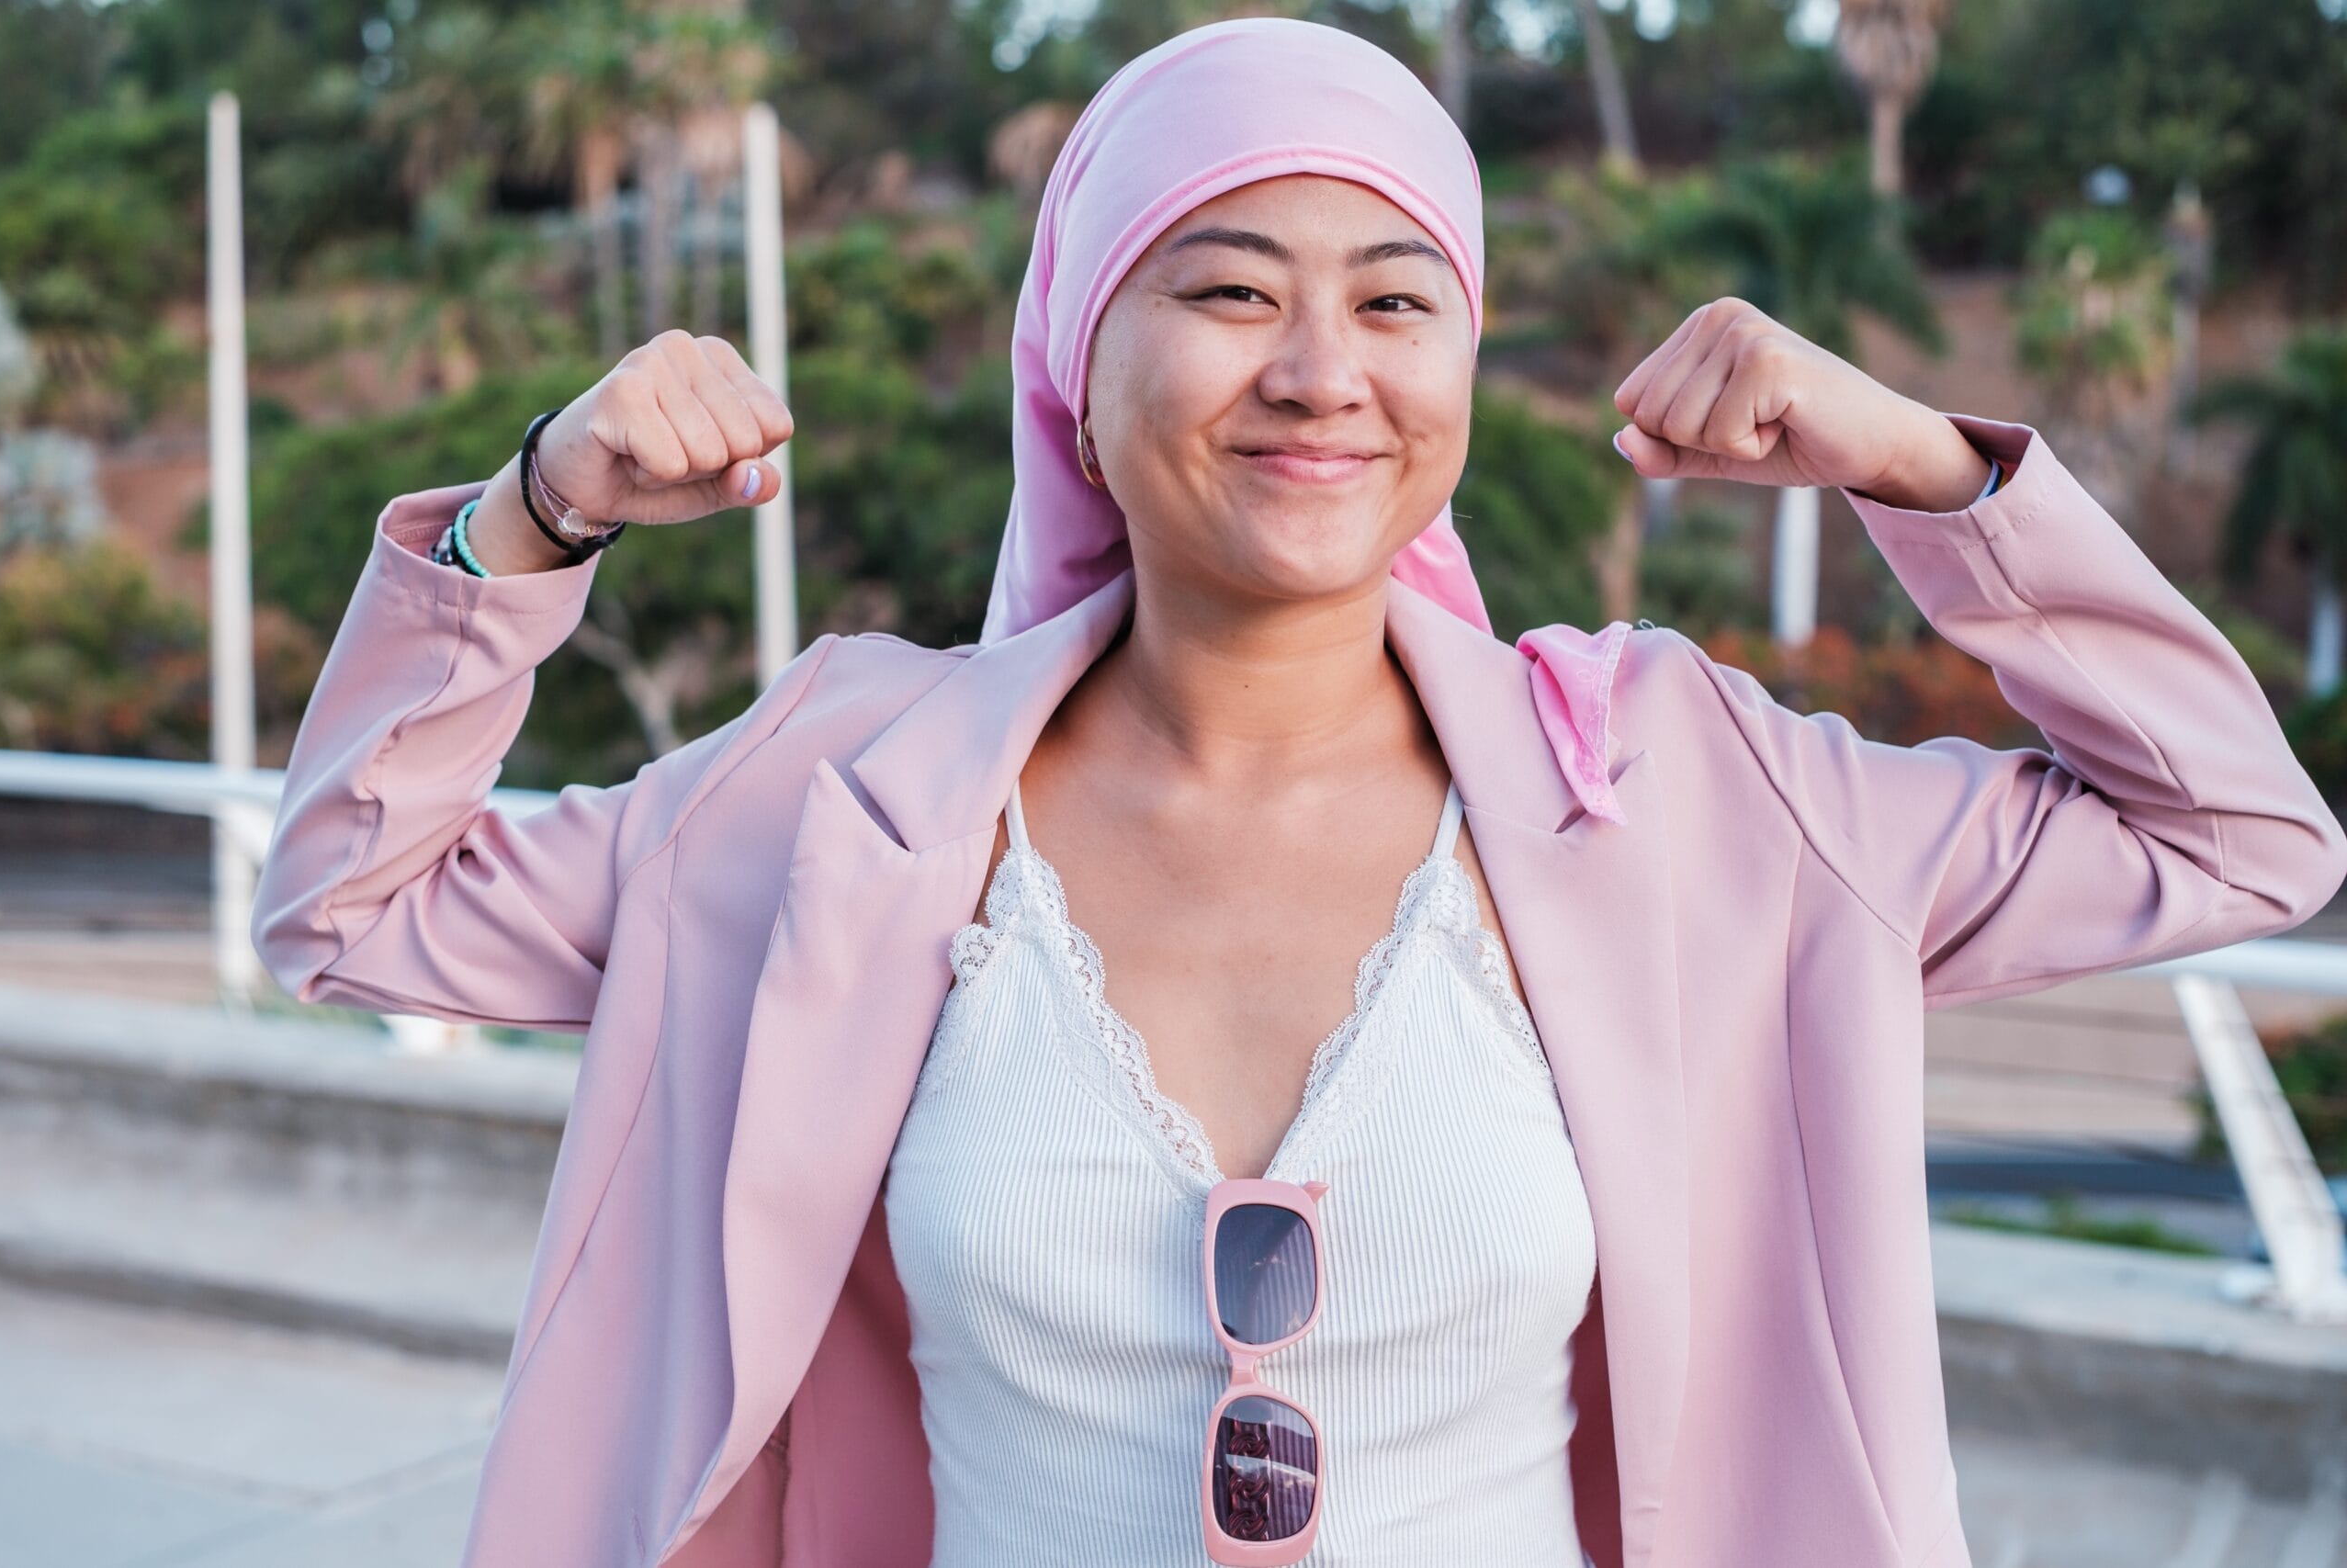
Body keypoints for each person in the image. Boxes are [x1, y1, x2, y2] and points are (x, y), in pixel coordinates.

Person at [250, 17, 2347, 1568]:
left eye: (1395, 300)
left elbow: (2234, 834)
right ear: (1080, 354)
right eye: (1230, 287)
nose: (1320, 369)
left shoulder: (1675, 788)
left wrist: (1927, 473)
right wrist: (532, 515)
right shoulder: (841, 796)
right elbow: (349, 897)